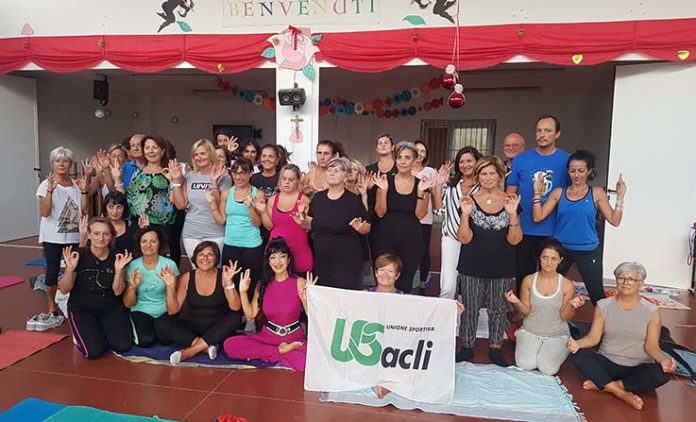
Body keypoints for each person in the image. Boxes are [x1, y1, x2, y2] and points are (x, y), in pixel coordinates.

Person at [567, 262, 677, 410]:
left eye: (631, 279)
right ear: (616, 280)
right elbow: (593, 337)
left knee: (661, 374)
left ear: (641, 284)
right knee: (579, 356)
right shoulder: (603, 305)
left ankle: (606, 385)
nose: (625, 282)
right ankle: (621, 392)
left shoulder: (652, 311)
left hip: (637, 366)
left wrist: (663, 360)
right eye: (621, 278)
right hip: (608, 362)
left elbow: (651, 346)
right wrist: (578, 344)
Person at [532, 150, 627, 305]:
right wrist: (537, 193)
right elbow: (538, 216)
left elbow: (614, 220)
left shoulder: (596, 193)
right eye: (572, 171)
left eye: (581, 171)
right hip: (561, 249)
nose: (576, 175)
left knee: (596, 294)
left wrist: (620, 197)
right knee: (549, 289)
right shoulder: (559, 193)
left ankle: (601, 321)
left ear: (589, 171)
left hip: (588, 250)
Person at [456, 156, 522, 366]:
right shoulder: (469, 201)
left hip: (501, 264)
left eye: (492, 173)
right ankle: (467, 346)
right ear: (477, 177)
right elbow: (464, 238)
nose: (488, 177)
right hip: (472, 264)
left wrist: (512, 215)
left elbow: (515, 240)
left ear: (500, 175)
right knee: (470, 307)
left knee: (498, 308)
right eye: (483, 173)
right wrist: (465, 215)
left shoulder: (511, 201)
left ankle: (495, 348)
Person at [223, 238, 315, 371]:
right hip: (268, 337)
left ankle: (267, 353)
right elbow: (250, 315)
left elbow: (313, 316)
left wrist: (308, 298)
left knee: (309, 359)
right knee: (229, 345)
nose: (278, 262)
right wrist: (243, 292)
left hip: (293, 338)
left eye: (282, 257)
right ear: (268, 261)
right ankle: (280, 352)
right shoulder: (263, 285)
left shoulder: (300, 282)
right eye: (273, 257)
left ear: (289, 260)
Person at [507, 115, 570, 292]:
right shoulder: (521, 159)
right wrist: (513, 221)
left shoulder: (566, 160)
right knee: (523, 277)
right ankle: (522, 308)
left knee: (551, 279)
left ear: (557, 134)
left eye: (548, 130)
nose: (542, 134)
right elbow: (510, 194)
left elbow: (571, 194)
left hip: (554, 231)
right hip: (524, 229)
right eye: (539, 130)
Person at [29, 146, 89, 332]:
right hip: (53, 236)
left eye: (65, 161)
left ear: (70, 164)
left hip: (74, 235)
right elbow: (45, 212)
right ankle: (51, 307)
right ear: (52, 163)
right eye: (57, 161)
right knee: (52, 270)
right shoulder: (45, 185)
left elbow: (85, 210)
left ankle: (75, 303)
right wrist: (50, 191)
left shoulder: (76, 185)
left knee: (76, 269)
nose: (61, 164)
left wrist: (85, 191)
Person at [505, 238, 585, 375]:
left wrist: (572, 305)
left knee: (547, 369)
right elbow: (526, 311)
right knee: (525, 364)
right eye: (545, 257)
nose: (549, 262)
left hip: (557, 335)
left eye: (554, 259)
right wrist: (515, 301)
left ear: (560, 260)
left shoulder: (566, 284)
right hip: (530, 331)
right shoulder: (529, 280)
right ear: (539, 258)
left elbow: (565, 316)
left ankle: (562, 344)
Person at [154, 242, 243, 364]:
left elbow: (235, 307)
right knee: (161, 322)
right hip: (194, 327)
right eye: (201, 254)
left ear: (216, 258)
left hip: (218, 327)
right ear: (195, 258)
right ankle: (205, 346)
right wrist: (170, 287)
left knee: (236, 317)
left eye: (210, 254)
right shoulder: (187, 277)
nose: (205, 258)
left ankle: (190, 352)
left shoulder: (224, 276)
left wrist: (229, 283)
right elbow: (172, 310)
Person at [59, 218, 132, 359]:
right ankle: (85, 331)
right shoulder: (78, 255)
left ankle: (99, 328)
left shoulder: (117, 256)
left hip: (108, 307)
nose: (101, 238)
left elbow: (118, 291)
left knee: (123, 346)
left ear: (111, 236)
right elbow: (64, 290)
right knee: (94, 352)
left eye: (106, 234)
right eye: (96, 233)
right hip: (82, 309)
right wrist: (69, 269)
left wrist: (119, 271)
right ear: (89, 235)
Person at [296, 158, 371, 290]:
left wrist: (360, 227)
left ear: (345, 176)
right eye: (329, 170)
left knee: (344, 298)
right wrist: (301, 220)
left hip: (347, 263)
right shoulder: (318, 199)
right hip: (322, 261)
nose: (331, 173)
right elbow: (309, 225)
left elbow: (367, 228)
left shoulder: (353, 201)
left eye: (336, 170)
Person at [372, 142, 433, 294]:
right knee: (384, 282)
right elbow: (380, 212)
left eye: (407, 157)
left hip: (411, 242)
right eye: (399, 157)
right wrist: (384, 191)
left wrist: (420, 193)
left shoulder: (421, 184)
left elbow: (420, 215)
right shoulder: (385, 181)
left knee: (405, 283)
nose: (403, 161)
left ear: (414, 160)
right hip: (385, 239)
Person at [208, 158, 266, 297]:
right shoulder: (227, 193)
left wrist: (250, 207)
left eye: (243, 173)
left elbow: (258, 223)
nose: (238, 177)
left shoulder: (258, 193)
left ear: (251, 173)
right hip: (231, 245)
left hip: (252, 246)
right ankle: (233, 310)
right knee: (230, 283)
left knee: (250, 284)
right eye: (235, 173)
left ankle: (248, 310)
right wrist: (211, 203)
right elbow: (221, 220)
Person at [113, 135, 177, 258]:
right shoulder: (138, 174)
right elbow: (126, 199)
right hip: (137, 224)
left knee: (158, 262)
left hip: (160, 227)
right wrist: (117, 179)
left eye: (155, 147)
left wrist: (174, 181)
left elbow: (175, 203)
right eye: (147, 148)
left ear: (162, 151)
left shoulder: (169, 172)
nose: (151, 151)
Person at [170, 139, 232, 266]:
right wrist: (176, 181)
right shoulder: (190, 176)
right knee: (197, 270)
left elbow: (219, 204)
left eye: (203, 153)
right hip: (191, 233)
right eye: (196, 154)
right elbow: (181, 205)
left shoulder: (224, 176)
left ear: (211, 154)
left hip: (216, 233)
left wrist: (214, 182)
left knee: (215, 270)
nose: (199, 157)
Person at [432, 146, 482, 300]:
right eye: (461, 161)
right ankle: (445, 314)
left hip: (475, 241)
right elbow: (438, 211)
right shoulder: (451, 186)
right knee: (448, 286)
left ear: (477, 162)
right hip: (451, 238)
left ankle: (467, 314)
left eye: (469, 161)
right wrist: (439, 185)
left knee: (470, 286)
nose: (465, 165)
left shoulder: (483, 187)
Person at [123, 227, 180, 347]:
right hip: (141, 310)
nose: (148, 245)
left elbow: (176, 294)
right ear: (139, 244)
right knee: (146, 341)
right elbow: (128, 304)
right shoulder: (133, 266)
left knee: (165, 340)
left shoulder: (169, 265)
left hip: (164, 310)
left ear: (159, 243)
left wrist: (170, 286)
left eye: (153, 241)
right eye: (144, 241)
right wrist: (132, 287)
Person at [261, 164, 313, 273]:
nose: (287, 182)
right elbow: (269, 226)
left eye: (291, 180)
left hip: (299, 251)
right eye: (284, 179)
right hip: (277, 253)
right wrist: (262, 211)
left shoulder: (304, 200)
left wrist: (302, 214)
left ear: (298, 180)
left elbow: (308, 228)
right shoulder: (272, 200)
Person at [412, 140, 438, 294]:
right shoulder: (404, 170)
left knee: (423, 251)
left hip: (425, 219)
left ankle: (422, 283)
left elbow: (435, 195)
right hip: (408, 218)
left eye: (423, 151)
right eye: (417, 150)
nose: (420, 154)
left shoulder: (430, 172)